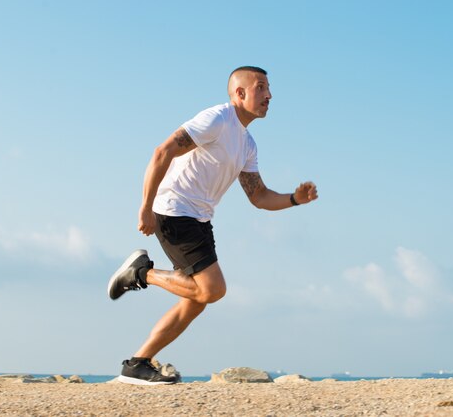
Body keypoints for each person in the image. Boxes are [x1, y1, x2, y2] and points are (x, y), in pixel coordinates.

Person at [107, 66, 318, 385]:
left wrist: (294, 199)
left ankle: (137, 363)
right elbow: (162, 151)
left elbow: (259, 196)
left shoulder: (247, 144)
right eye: (261, 88)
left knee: (196, 302)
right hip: (174, 210)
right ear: (240, 93)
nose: (269, 95)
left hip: (199, 220)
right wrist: (146, 206)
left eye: (268, 89)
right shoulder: (218, 119)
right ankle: (140, 273)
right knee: (213, 290)